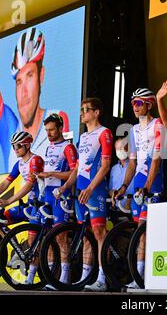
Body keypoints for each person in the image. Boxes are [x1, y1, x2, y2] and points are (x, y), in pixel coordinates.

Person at [0, 27, 69, 171]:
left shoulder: (57, 117)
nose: (24, 91)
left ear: (41, 76)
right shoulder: (10, 128)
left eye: (29, 76)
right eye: (19, 81)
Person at [55, 97, 112, 292]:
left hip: (94, 189)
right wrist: (65, 188)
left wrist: (90, 189)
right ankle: (86, 276)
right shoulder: (83, 138)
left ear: (96, 112)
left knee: (99, 233)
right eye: (81, 109)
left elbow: (105, 166)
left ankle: (102, 279)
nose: (82, 113)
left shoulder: (104, 133)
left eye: (86, 109)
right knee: (85, 234)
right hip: (81, 189)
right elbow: (77, 168)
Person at [0, 131, 44, 285]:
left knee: (34, 241)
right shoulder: (20, 164)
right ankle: (19, 251)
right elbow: (5, 183)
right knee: (1, 220)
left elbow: (29, 185)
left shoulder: (36, 160)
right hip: (28, 205)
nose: (15, 149)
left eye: (18, 145)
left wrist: (8, 201)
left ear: (27, 145)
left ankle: (30, 277)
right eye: (13, 146)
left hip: (39, 205)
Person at [114, 88, 165, 289]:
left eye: (138, 103)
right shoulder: (134, 130)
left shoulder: (157, 125)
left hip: (151, 183)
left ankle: (145, 276)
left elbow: (156, 160)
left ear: (149, 104)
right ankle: (140, 276)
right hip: (137, 182)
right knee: (139, 231)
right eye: (133, 103)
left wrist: (147, 187)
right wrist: (124, 186)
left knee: (146, 231)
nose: (134, 107)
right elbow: (132, 163)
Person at [33, 113, 78, 287]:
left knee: (60, 236)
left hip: (61, 195)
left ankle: (64, 278)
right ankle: (51, 276)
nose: (49, 133)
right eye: (46, 130)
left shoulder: (68, 147)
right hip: (47, 194)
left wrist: (51, 174)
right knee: (47, 237)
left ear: (60, 128)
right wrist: (40, 175)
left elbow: (73, 173)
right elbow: (47, 171)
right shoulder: (48, 147)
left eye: (52, 130)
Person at [108, 138, 134, 212]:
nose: (120, 150)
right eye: (118, 148)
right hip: (116, 208)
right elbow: (110, 189)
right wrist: (114, 193)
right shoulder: (113, 169)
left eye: (123, 147)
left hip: (132, 208)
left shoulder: (134, 166)